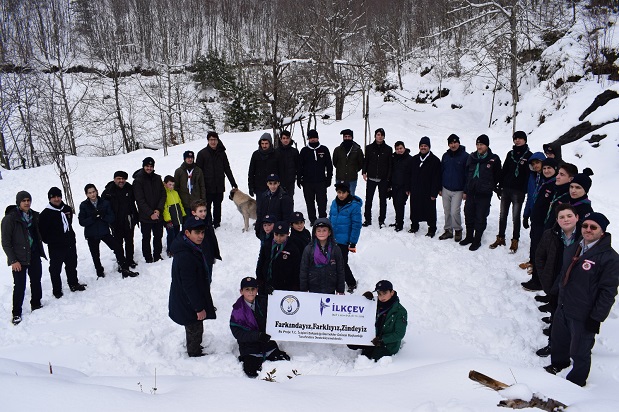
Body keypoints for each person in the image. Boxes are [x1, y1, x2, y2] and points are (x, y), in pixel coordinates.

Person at [545, 212, 619, 387]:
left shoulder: (610, 258)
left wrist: (596, 318)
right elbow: (564, 273)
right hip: (564, 305)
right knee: (559, 340)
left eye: (593, 227)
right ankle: (558, 365)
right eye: (585, 226)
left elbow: (608, 292)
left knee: (580, 350)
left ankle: (576, 383)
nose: (588, 230)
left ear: (602, 232)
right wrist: (556, 294)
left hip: (584, 313)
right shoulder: (575, 247)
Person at [534, 204, 580, 358]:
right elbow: (540, 256)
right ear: (557, 220)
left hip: (575, 287)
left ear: (577, 218)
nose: (566, 219)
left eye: (569, 216)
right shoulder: (550, 234)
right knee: (556, 317)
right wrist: (544, 276)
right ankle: (552, 345)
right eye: (561, 217)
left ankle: (575, 347)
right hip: (555, 284)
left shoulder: (583, 237)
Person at [168, 217, 217, 358]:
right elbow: (189, 285)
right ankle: (194, 353)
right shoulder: (185, 255)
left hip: (188, 299)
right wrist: (199, 308)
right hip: (188, 302)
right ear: (187, 233)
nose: (201, 236)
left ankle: (194, 346)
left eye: (202, 233)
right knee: (195, 327)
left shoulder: (189, 246)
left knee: (194, 326)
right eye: (197, 233)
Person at [230, 277, 290, 377]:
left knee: (284, 362)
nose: (251, 292)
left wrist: (273, 293)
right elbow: (238, 333)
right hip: (249, 347)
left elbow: (279, 305)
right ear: (241, 291)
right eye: (247, 289)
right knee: (251, 372)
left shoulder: (263, 301)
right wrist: (257, 336)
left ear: (257, 290)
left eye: (253, 289)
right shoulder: (238, 310)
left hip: (268, 343)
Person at [2, 191, 46, 325]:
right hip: (19, 258)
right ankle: (16, 313)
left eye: (28, 200)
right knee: (20, 286)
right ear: (18, 202)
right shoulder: (10, 219)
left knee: (36, 280)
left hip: (33, 254)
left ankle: (36, 303)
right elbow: (6, 242)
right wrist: (13, 260)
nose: (27, 203)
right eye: (24, 201)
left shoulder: (34, 216)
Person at [78, 184, 139, 279]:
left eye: (94, 192)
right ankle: (99, 271)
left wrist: (103, 216)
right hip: (91, 234)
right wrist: (93, 217)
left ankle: (124, 268)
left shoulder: (104, 203)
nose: (92, 194)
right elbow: (82, 222)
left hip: (104, 232)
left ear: (97, 191)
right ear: (86, 194)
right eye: (90, 193)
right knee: (95, 254)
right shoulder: (84, 205)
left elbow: (111, 218)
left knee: (117, 247)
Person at [38, 187, 86, 299]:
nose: (56, 199)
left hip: (69, 243)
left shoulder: (67, 208)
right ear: (50, 198)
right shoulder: (45, 214)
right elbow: (43, 233)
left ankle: (73, 283)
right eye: (53, 197)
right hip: (56, 247)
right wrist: (52, 241)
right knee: (55, 269)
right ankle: (57, 290)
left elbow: (69, 224)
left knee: (72, 265)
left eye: (58, 196)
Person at [489, 131, 531, 252]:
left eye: (520, 138)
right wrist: (499, 185)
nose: (517, 140)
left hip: (518, 191)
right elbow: (504, 170)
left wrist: (524, 190)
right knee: (503, 215)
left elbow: (528, 175)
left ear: (525, 140)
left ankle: (515, 240)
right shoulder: (510, 153)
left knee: (515, 216)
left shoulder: (528, 155)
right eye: (515, 138)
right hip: (506, 189)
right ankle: (501, 237)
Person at [459, 134, 502, 251]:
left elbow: (498, 176)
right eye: (477, 144)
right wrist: (465, 190)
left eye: (481, 144)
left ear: (487, 145)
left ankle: (477, 239)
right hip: (471, 192)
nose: (479, 146)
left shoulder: (494, 159)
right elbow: (467, 175)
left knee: (480, 217)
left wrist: (491, 186)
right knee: (468, 214)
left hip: (484, 193)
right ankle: (469, 236)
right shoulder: (472, 157)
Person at [523, 158, 559, 291]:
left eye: (549, 168)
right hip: (536, 223)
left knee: (541, 253)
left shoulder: (554, 185)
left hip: (544, 226)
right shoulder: (544, 183)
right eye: (545, 168)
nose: (546, 170)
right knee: (535, 250)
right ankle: (535, 278)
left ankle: (539, 282)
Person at [349, 280, 408, 361]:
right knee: (352, 344)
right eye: (379, 294)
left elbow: (399, 334)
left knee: (373, 358)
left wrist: (382, 340)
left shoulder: (400, 311)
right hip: (372, 338)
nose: (382, 297)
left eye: (385, 293)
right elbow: (360, 313)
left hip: (387, 344)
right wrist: (364, 300)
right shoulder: (374, 304)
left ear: (392, 292)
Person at [195, 132, 238, 228]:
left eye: (214, 140)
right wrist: (198, 185)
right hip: (207, 185)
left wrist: (233, 182)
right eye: (211, 140)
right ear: (208, 141)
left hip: (219, 184)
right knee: (207, 205)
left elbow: (227, 168)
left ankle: (217, 222)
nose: (213, 142)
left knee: (218, 204)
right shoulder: (202, 154)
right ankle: (208, 223)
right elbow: (198, 172)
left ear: (218, 140)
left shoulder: (222, 153)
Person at [329, 182, 362, 293]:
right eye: (339, 192)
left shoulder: (354, 206)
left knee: (342, 263)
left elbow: (356, 225)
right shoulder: (334, 203)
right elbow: (330, 219)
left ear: (348, 192)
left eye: (343, 192)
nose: (341, 195)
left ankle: (351, 283)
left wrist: (353, 242)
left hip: (344, 240)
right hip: (333, 238)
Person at [102, 171, 139, 268]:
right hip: (116, 222)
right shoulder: (108, 191)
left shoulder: (130, 188)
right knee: (118, 243)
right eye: (119, 179)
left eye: (123, 179)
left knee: (129, 241)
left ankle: (130, 260)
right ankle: (121, 261)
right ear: (114, 179)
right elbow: (103, 207)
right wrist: (109, 220)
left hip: (129, 219)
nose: (121, 181)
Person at [299, 218, 345, 294]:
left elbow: (340, 270)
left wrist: (340, 290)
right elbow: (304, 270)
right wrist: (304, 289)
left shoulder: (335, 249)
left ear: (329, 232)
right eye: (319, 231)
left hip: (330, 288)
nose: (321, 233)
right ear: (315, 233)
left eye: (324, 230)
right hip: (313, 288)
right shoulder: (308, 249)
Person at [133, 157, 166, 263]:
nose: (149, 168)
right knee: (146, 237)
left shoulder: (157, 178)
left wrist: (158, 210)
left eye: (151, 166)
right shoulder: (138, 180)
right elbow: (140, 200)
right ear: (143, 166)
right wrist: (150, 213)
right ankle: (148, 257)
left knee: (158, 236)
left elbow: (163, 195)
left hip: (158, 214)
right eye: (147, 166)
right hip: (145, 216)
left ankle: (157, 255)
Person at [298, 129, 333, 225]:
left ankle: (322, 218)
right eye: (311, 138)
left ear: (318, 138)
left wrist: (329, 178)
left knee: (322, 201)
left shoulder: (324, 149)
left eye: (314, 137)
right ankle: (312, 220)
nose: (313, 139)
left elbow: (329, 165)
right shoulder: (304, 151)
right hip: (307, 182)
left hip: (321, 181)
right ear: (308, 139)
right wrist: (299, 179)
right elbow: (300, 166)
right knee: (310, 202)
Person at [408, 136, 441, 237]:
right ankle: (414, 225)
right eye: (421, 146)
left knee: (430, 210)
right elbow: (408, 175)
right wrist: (408, 188)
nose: (423, 147)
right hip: (415, 189)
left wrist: (434, 192)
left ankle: (432, 228)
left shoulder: (435, 160)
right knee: (414, 207)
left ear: (429, 147)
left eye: (425, 146)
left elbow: (437, 178)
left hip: (428, 190)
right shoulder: (414, 159)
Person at [255, 221, 301, 294]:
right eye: (276, 234)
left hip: (285, 285)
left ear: (288, 234)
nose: (278, 238)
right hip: (267, 283)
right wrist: (260, 278)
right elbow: (261, 261)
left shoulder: (293, 248)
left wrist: (295, 285)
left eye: (282, 235)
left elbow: (296, 268)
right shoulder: (267, 244)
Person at [439, 134, 468, 241]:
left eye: (455, 142)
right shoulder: (445, 156)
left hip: (459, 189)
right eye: (451, 143)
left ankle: (458, 230)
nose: (453, 145)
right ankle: (448, 230)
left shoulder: (465, 156)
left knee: (455, 211)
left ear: (458, 143)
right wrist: (439, 187)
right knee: (447, 211)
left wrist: (466, 190)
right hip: (446, 188)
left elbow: (467, 175)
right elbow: (441, 172)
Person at [520, 152, 546, 269]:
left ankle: (540, 265)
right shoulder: (532, 176)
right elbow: (530, 196)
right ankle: (532, 261)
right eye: (533, 164)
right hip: (534, 213)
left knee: (542, 241)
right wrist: (526, 215)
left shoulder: (549, 178)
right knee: (534, 238)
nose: (535, 166)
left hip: (544, 215)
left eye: (538, 163)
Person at [362, 128, 392, 228]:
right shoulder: (369, 148)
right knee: (369, 199)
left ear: (384, 136)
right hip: (371, 178)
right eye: (378, 134)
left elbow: (389, 165)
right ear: (375, 136)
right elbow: (366, 161)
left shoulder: (388, 149)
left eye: (381, 135)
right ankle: (367, 219)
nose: (380, 136)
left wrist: (388, 177)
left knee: (383, 200)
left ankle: (382, 220)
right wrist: (364, 172)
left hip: (383, 179)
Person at [189, 200, 221, 283]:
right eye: (200, 211)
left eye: (205, 211)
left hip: (208, 256)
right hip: (198, 259)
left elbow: (212, 239)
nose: (203, 213)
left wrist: (214, 253)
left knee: (207, 280)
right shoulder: (192, 227)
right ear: (194, 213)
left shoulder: (207, 222)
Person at [255, 174, 293, 240]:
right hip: (265, 232)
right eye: (270, 183)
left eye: (275, 183)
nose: (273, 186)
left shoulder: (284, 197)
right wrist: (258, 228)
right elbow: (260, 213)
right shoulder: (264, 196)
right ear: (267, 184)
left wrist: (282, 231)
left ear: (278, 183)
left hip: (278, 233)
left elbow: (287, 216)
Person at [174, 150, 206, 221]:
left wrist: (203, 199)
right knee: (187, 223)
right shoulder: (179, 171)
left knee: (197, 222)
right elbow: (176, 187)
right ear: (184, 159)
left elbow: (202, 186)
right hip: (184, 202)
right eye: (188, 158)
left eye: (191, 158)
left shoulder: (198, 170)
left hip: (196, 202)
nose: (190, 159)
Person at [248, 133, 280, 202]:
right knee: (260, 209)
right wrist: (251, 186)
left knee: (273, 209)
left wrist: (280, 185)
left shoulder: (276, 154)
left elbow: (280, 171)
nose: (264, 146)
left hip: (273, 186)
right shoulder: (256, 154)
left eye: (266, 143)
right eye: (262, 143)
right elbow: (251, 171)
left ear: (270, 143)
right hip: (259, 187)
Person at [332, 129, 364, 196]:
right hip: (340, 177)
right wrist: (341, 169)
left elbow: (361, 163)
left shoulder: (357, 150)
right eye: (345, 136)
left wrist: (354, 169)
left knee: (351, 196)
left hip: (352, 178)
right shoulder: (337, 150)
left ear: (352, 137)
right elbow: (335, 162)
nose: (347, 138)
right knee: (341, 196)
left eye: (349, 136)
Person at [389, 141, 412, 232]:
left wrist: (408, 187)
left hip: (404, 186)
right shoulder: (393, 158)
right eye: (397, 149)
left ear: (404, 148)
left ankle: (400, 223)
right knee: (395, 203)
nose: (399, 150)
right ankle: (397, 221)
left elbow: (411, 174)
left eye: (401, 148)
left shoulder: (410, 159)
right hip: (395, 185)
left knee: (400, 204)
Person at [163, 175, 186, 257]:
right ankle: (170, 249)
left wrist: (183, 213)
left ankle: (176, 247)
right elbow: (164, 207)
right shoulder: (164, 193)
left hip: (177, 217)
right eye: (170, 184)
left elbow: (179, 203)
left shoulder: (175, 193)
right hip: (169, 219)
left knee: (177, 233)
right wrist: (168, 219)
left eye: (173, 185)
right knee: (171, 234)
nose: (171, 186)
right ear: (165, 184)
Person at [276, 130, 299, 199]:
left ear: (290, 139)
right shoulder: (276, 152)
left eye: (287, 138)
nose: (285, 140)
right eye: (284, 138)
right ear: (281, 139)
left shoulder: (294, 151)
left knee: (289, 200)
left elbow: (298, 166)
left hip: (290, 181)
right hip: (278, 182)